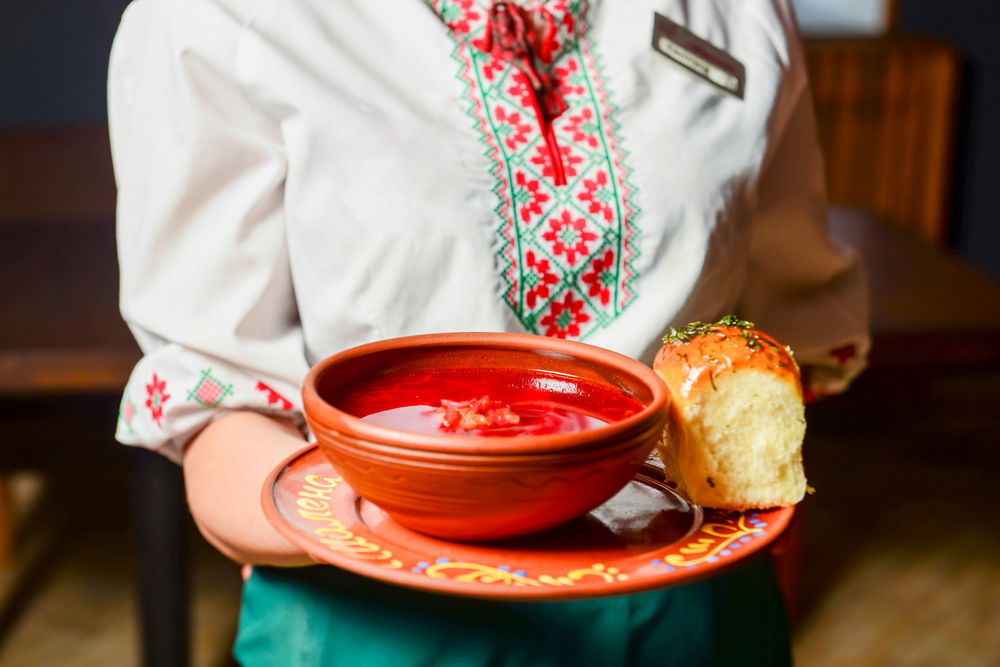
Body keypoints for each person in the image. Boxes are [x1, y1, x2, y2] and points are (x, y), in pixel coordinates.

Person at [109, 0, 869, 664]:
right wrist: (424, 506)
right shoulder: (215, 15)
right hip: (377, 627)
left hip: (689, 615)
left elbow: (785, 329)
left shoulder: (740, 7)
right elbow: (215, 402)